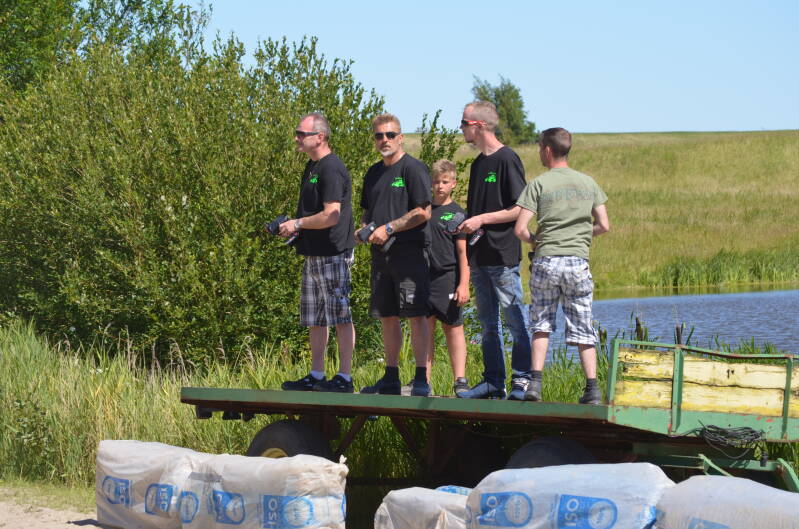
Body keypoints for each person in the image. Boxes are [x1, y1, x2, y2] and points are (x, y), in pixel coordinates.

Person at [514, 127, 610, 404]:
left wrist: (536, 241)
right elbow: (604, 225)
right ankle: (592, 389)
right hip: (577, 263)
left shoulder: (539, 184)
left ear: (547, 150)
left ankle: (535, 385)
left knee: (541, 324)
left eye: (539, 148)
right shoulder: (588, 183)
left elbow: (520, 229)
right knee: (582, 325)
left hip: (546, 261)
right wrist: (580, 236)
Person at [456, 101, 532, 400]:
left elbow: (520, 207)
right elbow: (477, 212)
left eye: (464, 123)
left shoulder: (506, 159)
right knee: (488, 325)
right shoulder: (477, 164)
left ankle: (522, 379)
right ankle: (493, 381)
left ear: (479, 125)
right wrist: (465, 225)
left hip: (502, 255)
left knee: (515, 319)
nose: (461, 128)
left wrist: (482, 219)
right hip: (480, 255)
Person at [278, 112, 357, 393]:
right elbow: (313, 214)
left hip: (333, 253)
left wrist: (298, 223)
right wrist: (293, 227)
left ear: (320, 137)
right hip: (313, 253)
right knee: (315, 317)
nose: (297, 138)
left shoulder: (331, 168)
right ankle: (316, 374)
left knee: (340, 315)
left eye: (302, 134)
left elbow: (332, 215)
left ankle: (345, 377)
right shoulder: (312, 166)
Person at [359, 113, 433, 396]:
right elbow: (368, 211)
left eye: (390, 135)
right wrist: (363, 229)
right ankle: (390, 377)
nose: (384, 140)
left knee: (416, 315)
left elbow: (423, 212)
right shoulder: (373, 173)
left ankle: (421, 378)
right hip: (381, 256)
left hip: (409, 254)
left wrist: (390, 228)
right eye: (379, 135)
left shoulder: (413, 169)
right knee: (387, 316)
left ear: (401, 137)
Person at [422, 159, 470, 395]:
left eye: (444, 181)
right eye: (436, 182)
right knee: (425, 329)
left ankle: (460, 380)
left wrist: (463, 284)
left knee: (453, 328)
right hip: (424, 278)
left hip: (448, 277)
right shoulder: (424, 211)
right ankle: (423, 380)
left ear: (453, 183)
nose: (439, 186)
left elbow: (463, 253)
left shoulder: (458, 214)